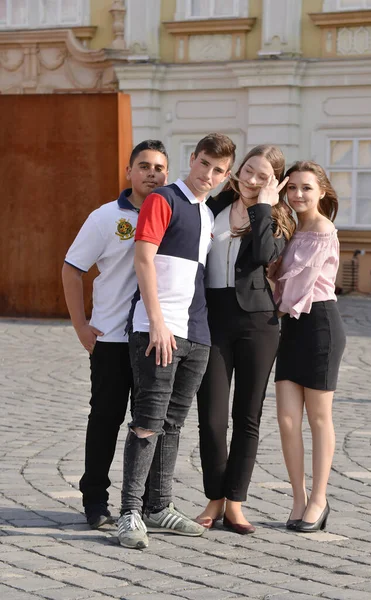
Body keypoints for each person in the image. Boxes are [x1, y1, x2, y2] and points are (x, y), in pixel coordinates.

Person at [118, 133, 237, 550]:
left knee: (172, 424)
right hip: (159, 329)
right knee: (148, 421)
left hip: (197, 334)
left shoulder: (206, 214)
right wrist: (156, 322)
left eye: (219, 171)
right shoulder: (162, 199)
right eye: (204, 164)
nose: (209, 175)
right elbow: (144, 259)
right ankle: (130, 511)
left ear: (226, 177)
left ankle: (160, 506)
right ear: (193, 159)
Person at [62, 140, 169, 529]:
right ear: (129, 172)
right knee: (105, 420)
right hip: (111, 339)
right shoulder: (107, 217)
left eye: (159, 167)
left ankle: (143, 505)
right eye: (144, 166)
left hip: (156, 338)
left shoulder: (174, 215)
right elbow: (72, 268)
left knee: (151, 425)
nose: (152, 173)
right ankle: (95, 501)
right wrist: (80, 325)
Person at [195, 145, 295, 535]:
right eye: (249, 170)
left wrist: (265, 206)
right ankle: (213, 497)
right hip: (212, 317)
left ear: (274, 181)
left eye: (263, 176)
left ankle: (234, 502)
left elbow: (265, 255)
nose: (252, 180)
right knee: (212, 417)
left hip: (257, 322)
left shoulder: (279, 217)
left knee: (246, 416)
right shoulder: (216, 204)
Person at [272, 161, 346, 533]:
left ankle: (320, 498)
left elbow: (296, 287)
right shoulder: (290, 230)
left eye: (306, 188)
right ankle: (298, 497)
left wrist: (271, 281)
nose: (298, 194)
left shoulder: (321, 230)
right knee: (286, 420)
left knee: (318, 418)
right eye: (292, 188)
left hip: (319, 325)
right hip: (293, 328)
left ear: (322, 193)